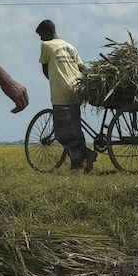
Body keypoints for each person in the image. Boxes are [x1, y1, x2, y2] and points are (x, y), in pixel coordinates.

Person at [36, 20, 96, 172]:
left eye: (41, 35)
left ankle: (87, 154)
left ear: (47, 32)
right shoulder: (70, 47)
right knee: (75, 129)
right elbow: (82, 68)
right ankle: (76, 163)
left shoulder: (46, 46)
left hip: (61, 92)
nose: (41, 39)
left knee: (62, 134)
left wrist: (55, 81)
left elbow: (45, 70)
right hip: (77, 90)